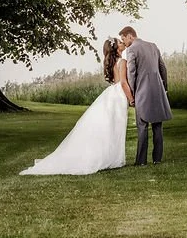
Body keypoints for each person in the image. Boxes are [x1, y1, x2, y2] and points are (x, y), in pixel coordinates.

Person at [19, 37, 134, 175]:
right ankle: (112, 158)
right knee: (115, 126)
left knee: (111, 126)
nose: (123, 43)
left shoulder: (112, 62)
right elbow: (123, 83)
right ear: (116, 48)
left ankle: (110, 158)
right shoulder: (122, 62)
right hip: (118, 95)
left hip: (111, 94)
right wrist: (132, 99)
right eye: (120, 42)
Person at [120, 26, 173, 165]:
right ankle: (157, 159)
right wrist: (164, 88)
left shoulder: (131, 49)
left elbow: (131, 73)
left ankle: (141, 161)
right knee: (157, 125)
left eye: (123, 39)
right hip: (158, 90)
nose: (124, 42)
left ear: (130, 36)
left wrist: (132, 93)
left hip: (142, 91)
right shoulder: (153, 46)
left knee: (142, 125)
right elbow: (163, 68)